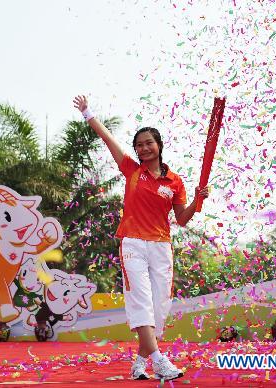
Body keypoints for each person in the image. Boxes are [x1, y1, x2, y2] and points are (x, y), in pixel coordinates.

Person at [73, 95, 210, 381]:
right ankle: (159, 361)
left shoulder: (175, 182)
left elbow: (182, 219)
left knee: (160, 308)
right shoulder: (131, 171)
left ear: (159, 146)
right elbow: (108, 139)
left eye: (149, 143)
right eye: (139, 145)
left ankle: (139, 362)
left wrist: (198, 201)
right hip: (133, 243)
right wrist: (88, 113)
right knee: (141, 301)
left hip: (161, 246)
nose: (144, 148)